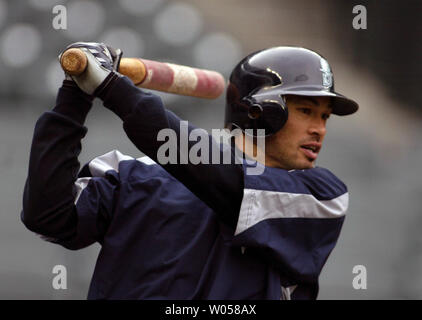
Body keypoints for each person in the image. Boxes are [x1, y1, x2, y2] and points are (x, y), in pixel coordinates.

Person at [21, 42, 358, 300]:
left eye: (325, 117)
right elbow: (48, 217)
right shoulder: (133, 174)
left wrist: (112, 87)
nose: (320, 129)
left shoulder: (320, 197)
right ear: (263, 112)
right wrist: (74, 95)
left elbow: (199, 162)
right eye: (306, 111)